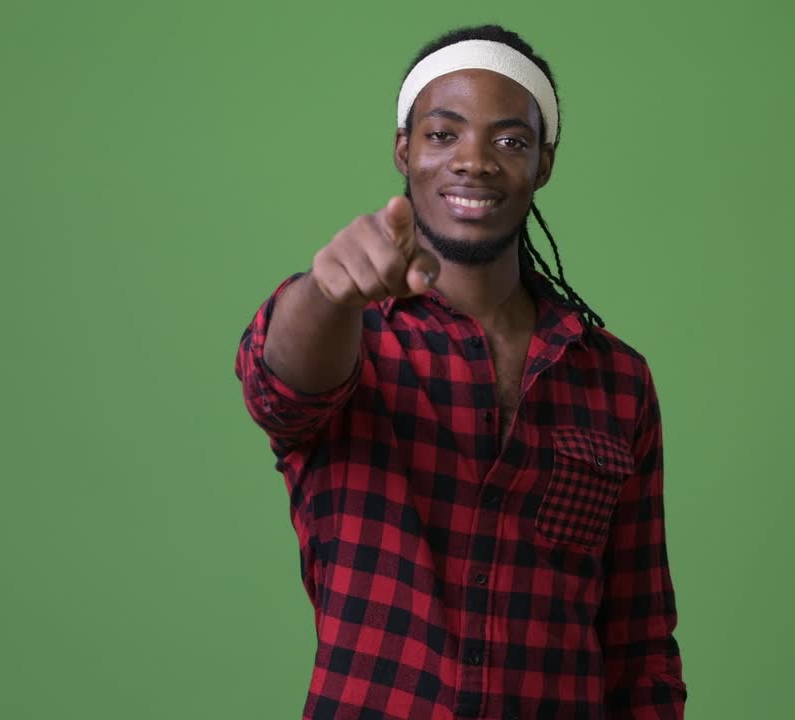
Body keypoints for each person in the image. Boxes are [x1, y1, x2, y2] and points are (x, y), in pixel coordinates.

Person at [235, 23, 686, 720]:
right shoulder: (351, 332)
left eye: (510, 141)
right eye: (443, 134)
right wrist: (327, 293)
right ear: (403, 150)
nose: (473, 161)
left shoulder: (615, 380)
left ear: (544, 164)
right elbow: (281, 395)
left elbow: (640, 641)